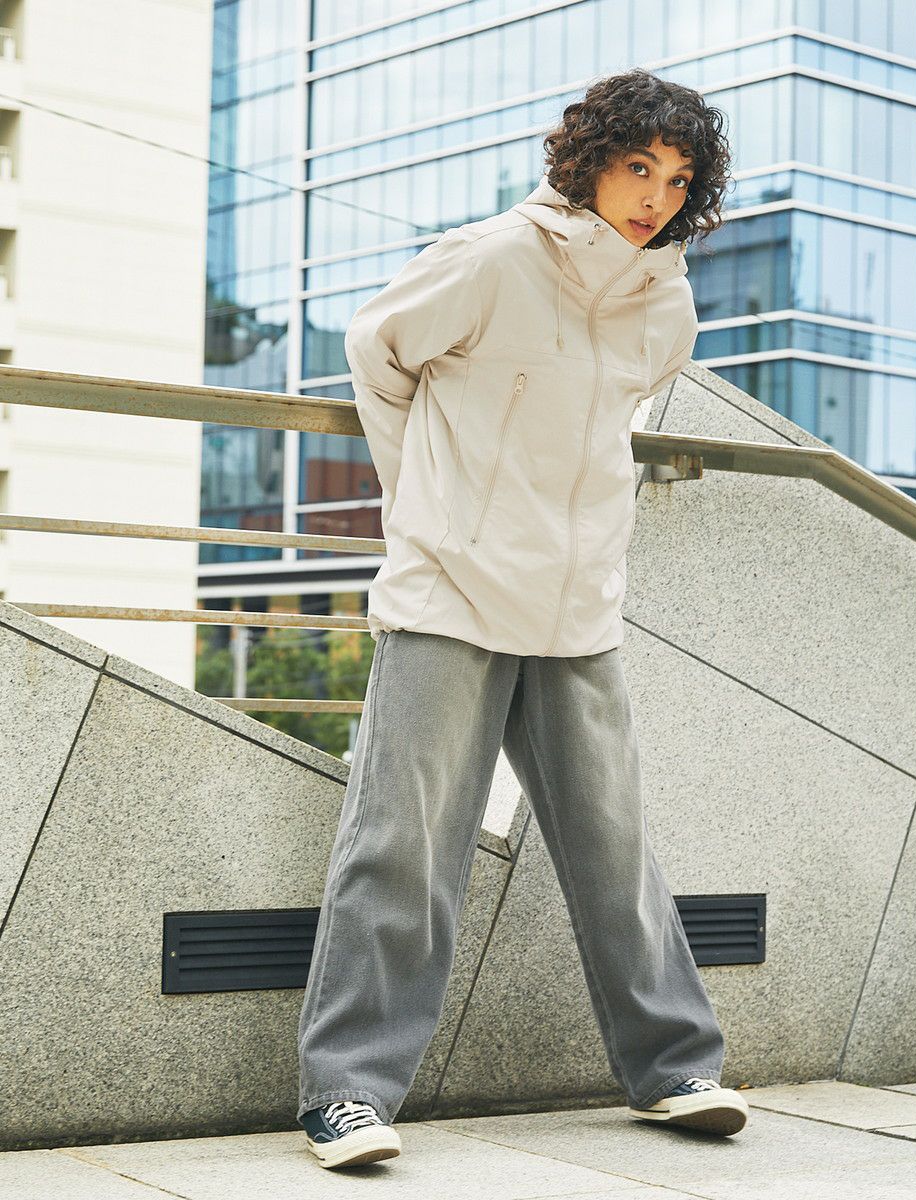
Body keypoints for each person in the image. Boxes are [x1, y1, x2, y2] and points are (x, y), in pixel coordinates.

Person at [296, 67, 743, 1171]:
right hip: (450, 591)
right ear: (588, 160)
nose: (654, 197)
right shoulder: (493, 257)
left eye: (676, 180)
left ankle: (673, 1067)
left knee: (613, 843)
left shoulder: (666, 304)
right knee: (403, 845)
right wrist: (424, 504)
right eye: (637, 167)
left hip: (578, 603)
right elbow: (376, 351)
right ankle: (347, 1092)